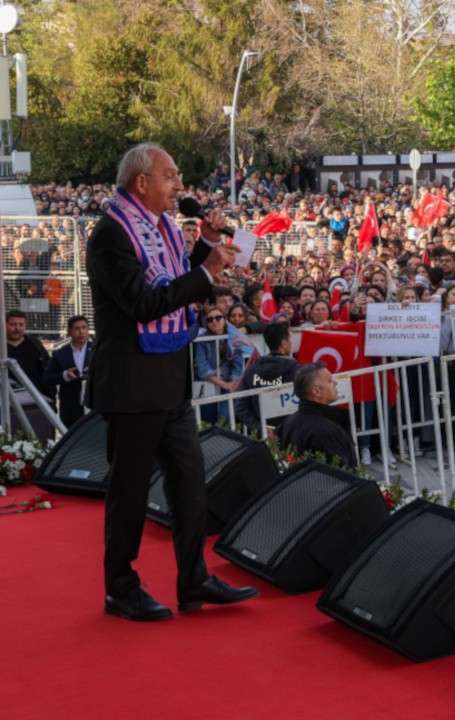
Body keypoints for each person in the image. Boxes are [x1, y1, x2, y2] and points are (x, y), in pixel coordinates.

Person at [87, 142, 254, 621]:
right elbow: (144, 302)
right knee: (130, 492)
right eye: (171, 176)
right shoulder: (111, 234)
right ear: (142, 182)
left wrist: (204, 247)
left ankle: (194, 579)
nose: (179, 185)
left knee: (189, 484)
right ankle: (120, 587)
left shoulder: (160, 226)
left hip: (169, 378)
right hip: (133, 382)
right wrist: (206, 270)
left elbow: (176, 280)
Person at [278, 362, 357, 469]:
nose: (336, 382)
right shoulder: (325, 432)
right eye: (329, 381)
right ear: (316, 391)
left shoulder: (288, 422)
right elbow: (341, 476)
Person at [235, 321, 300, 433]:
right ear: (284, 343)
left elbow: (241, 407)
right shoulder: (298, 370)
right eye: (290, 339)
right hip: (293, 433)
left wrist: (261, 429)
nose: (291, 343)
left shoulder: (251, 371)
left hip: (266, 436)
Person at [43, 314, 93, 426]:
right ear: (69, 332)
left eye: (84, 328)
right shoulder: (60, 353)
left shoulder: (98, 350)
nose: (81, 332)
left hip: (94, 405)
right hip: (70, 408)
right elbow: (47, 378)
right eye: (77, 329)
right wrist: (64, 376)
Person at [6, 309, 52, 399]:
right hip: (7, 399)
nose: (17, 328)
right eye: (12, 324)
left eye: (21, 325)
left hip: (36, 398)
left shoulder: (35, 345)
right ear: (5, 325)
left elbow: (47, 369)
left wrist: (50, 396)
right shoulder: (2, 346)